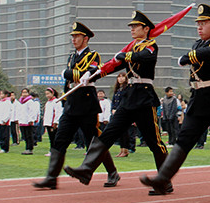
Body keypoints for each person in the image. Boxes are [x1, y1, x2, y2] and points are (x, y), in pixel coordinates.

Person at [140, 4, 210, 203]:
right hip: (199, 99)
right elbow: (196, 57)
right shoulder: (198, 45)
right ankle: (162, 179)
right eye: (198, 24)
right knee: (183, 140)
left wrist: (189, 57)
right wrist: (190, 55)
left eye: (204, 23)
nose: (199, 27)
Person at [63, 10, 170, 192]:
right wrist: (91, 75)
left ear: (146, 29)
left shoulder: (150, 45)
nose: (132, 29)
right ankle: (86, 169)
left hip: (144, 96)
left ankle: (164, 181)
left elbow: (145, 57)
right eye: (131, 26)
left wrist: (126, 56)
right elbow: (113, 65)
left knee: (155, 142)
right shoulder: (131, 48)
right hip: (129, 97)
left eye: (135, 26)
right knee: (107, 135)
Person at [33, 21, 119, 189]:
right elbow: (71, 80)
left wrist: (68, 73)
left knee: (93, 141)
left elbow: (89, 73)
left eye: (77, 36)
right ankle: (51, 177)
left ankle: (112, 172)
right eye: (72, 36)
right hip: (72, 102)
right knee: (60, 139)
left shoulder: (93, 55)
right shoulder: (72, 56)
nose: (73, 39)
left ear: (85, 38)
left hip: (86, 103)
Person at [16, 87, 39, 155]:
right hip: (22, 120)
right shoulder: (20, 102)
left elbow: (32, 111)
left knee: (29, 135)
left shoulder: (30, 101)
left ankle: (30, 148)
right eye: (23, 92)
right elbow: (19, 111)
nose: (24, 94)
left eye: (26, 92)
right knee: (25, 136)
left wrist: (31, 119)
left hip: (28, 121)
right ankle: (27, 148)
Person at [42, 87, 62, 154]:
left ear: (52, 93)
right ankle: (52, 150)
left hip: (53, 123)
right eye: (46, 94)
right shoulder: (48, 102)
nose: (47, 95)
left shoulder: (56, 101)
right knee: (51, 138)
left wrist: (55, 122)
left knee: (54, 138)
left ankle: (55, 151)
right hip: (48, 123)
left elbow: (58, 113)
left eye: (48, 94)